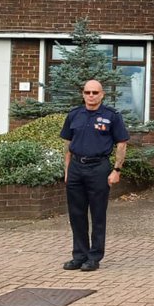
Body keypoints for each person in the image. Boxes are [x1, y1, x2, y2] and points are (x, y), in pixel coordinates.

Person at [61, 79, 129, 272]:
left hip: (99, 168)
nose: (91, 96)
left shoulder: (111, 116)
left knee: (97, 214)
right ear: (83, 94)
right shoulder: (74, 115)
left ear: (102, 95)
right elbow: (67, 145)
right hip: (76, 168)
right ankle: (79, 255)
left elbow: (122, 144)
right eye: (87, 92)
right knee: (76, 214)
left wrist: (116, 170)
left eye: (95, 92)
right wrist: (67, 170)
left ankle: (94, 256)